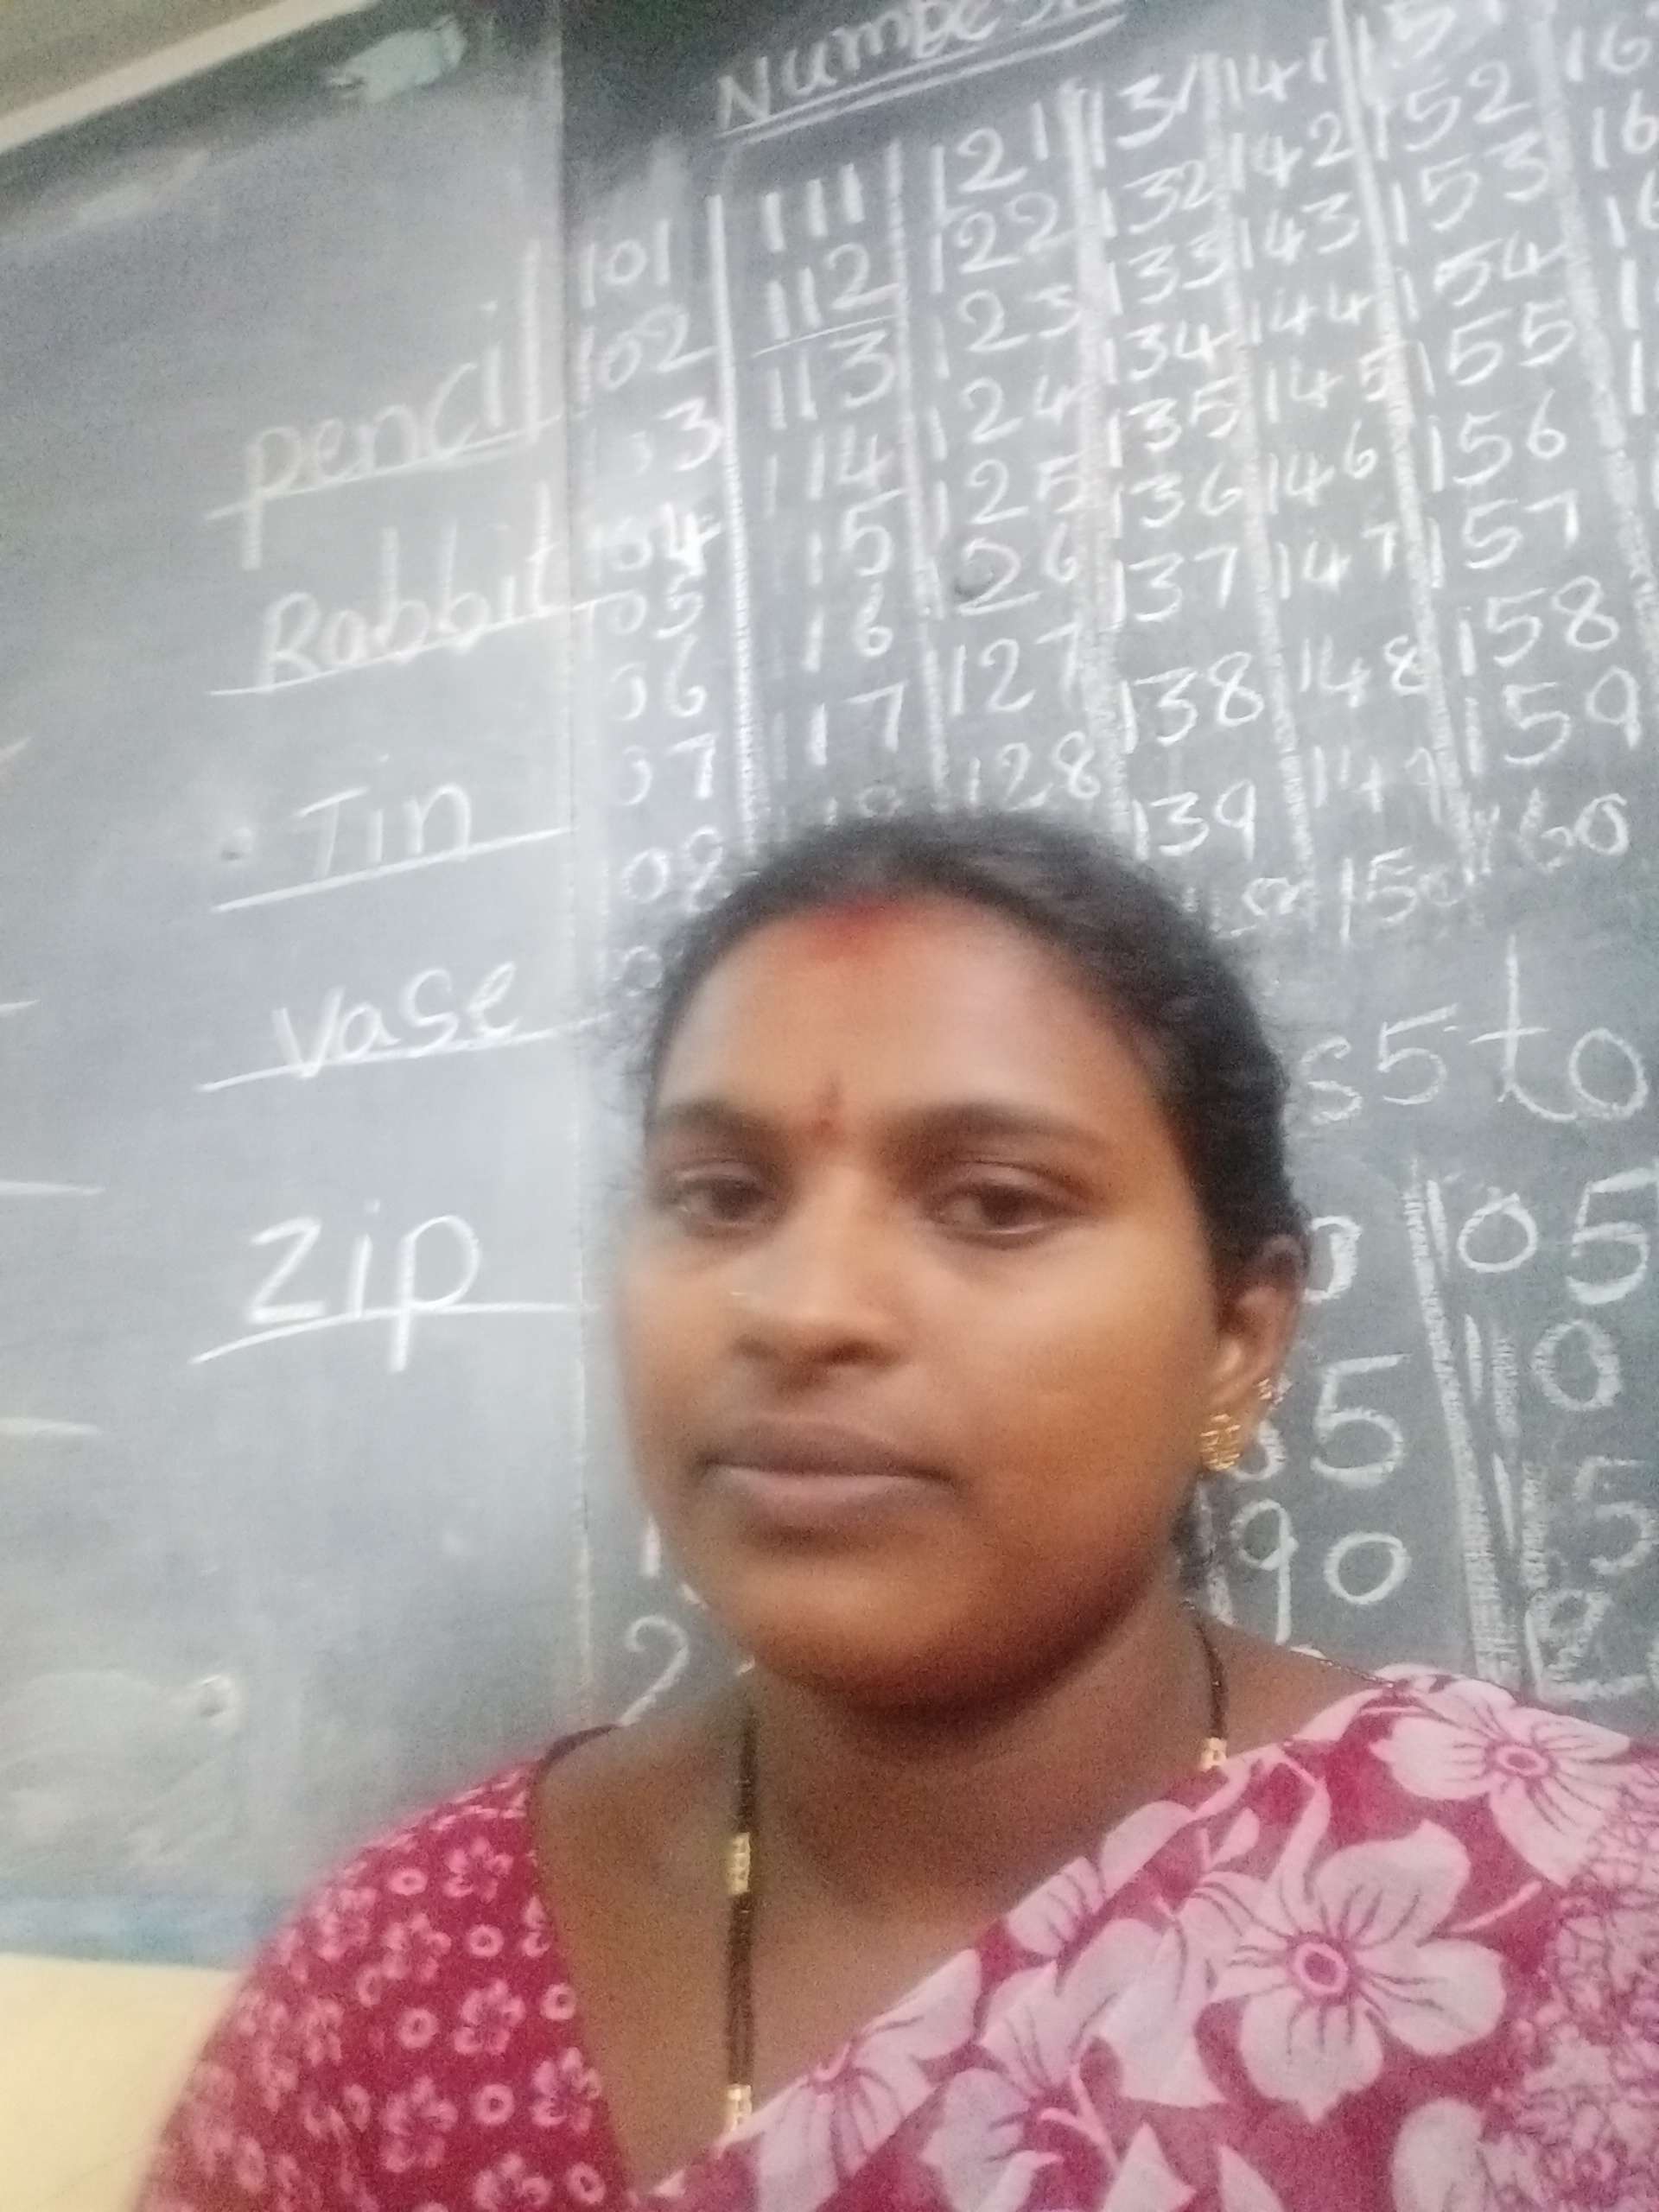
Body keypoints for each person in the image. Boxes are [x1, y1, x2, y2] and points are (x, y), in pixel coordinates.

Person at [141, 810, 1659, 2212]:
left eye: (994, 1203)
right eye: (722, 1196)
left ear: (1238, 1341)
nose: (804, 1310)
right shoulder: (388, 1998)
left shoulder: (1576, 1917)